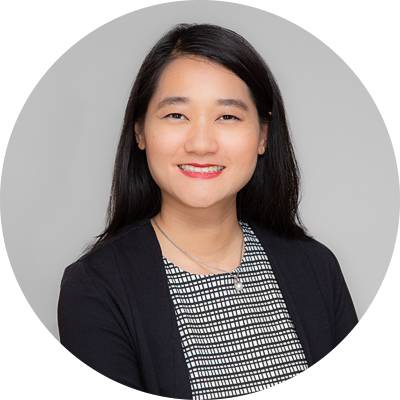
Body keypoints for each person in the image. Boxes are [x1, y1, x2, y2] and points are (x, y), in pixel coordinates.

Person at [57, 23, 358, 400]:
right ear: (140, 132)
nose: (201, 144)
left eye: (227, 117)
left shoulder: (316, 267)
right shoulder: (95, 289)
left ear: (263, 135)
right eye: (176, 115)